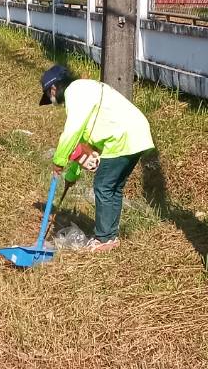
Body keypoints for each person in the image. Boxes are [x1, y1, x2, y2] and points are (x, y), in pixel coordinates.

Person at [40, 62, 154, 252]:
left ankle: (103, 239)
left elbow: (72, 131)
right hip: (137, 134)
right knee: (113, 187)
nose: (53, 101)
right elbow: (83, 145)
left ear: (53, 88)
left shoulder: (75, 93)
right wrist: (72, 175)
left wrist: (58, 161)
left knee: (103, 186)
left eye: (50, 96)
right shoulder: (85, 89)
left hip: (121, 137)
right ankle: (110, 237)